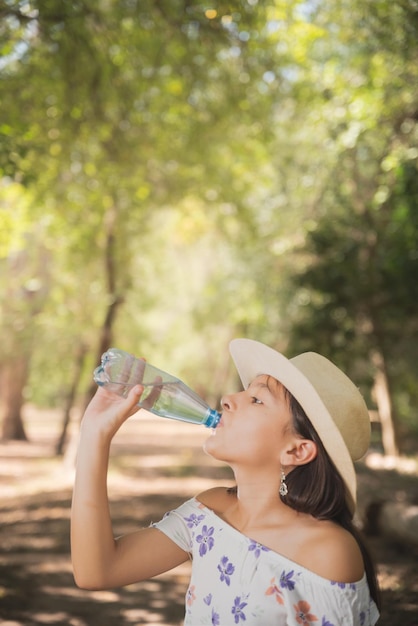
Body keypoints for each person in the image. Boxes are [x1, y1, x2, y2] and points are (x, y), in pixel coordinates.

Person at [71, 338, 380, 625]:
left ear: (297, 450)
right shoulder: (211, 512)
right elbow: (96, 571)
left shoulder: (328, 552)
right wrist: (95, 434)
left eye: (257, 400)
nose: (228, 399)